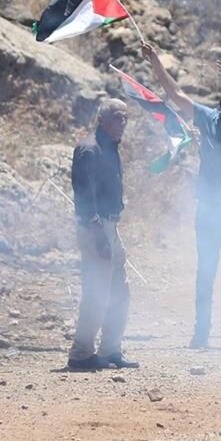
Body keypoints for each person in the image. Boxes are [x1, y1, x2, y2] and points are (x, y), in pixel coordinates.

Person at [143, 43, 221, 349]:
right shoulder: (208, 118)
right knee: (205, 272)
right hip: (209, 209)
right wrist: (156, 63)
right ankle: (201, 332)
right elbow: (176, 96)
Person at [67, 98, 137, 371]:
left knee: (120, 290)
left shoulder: (110, 148)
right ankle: (81, 353)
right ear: (102, 119)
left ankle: (110, 349)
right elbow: (84, 197)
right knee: (97, 291)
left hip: (110, 226)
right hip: (96, 228)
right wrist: (98, 235)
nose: (123, 123)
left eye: (125, 118)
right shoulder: (89, 150)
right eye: (118, 117)